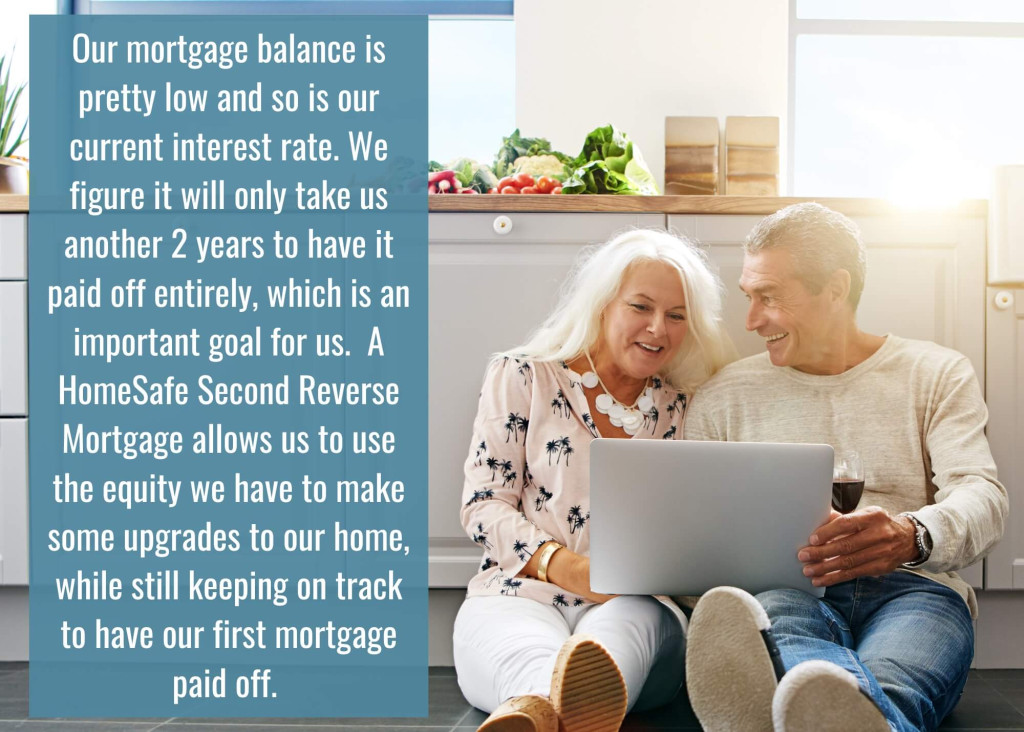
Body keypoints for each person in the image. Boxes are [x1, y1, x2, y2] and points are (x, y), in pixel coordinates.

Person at [682, 202, 1009, 732]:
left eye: (769, 297)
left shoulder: (935, 373)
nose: (751, 320)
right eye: (748, 296)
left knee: (896, 677)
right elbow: (693, 529)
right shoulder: (724, 396)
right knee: (803, 656)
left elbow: (982, 495)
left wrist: (913, 533)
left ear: (835, 289)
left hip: (915, 587)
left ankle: (788, 713)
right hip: (786, 588)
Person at [454, 228, 735, 732]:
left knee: (613, 639)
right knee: (523, 649)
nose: (658, 329)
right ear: (602, 304)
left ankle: (542, 711)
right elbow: (483, 505)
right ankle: (553, 710)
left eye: (676, 316)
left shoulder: (686, 406)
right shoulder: (522, 376)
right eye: (641, 307)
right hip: (518, 589)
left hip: (639, 605)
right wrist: (568, 569)